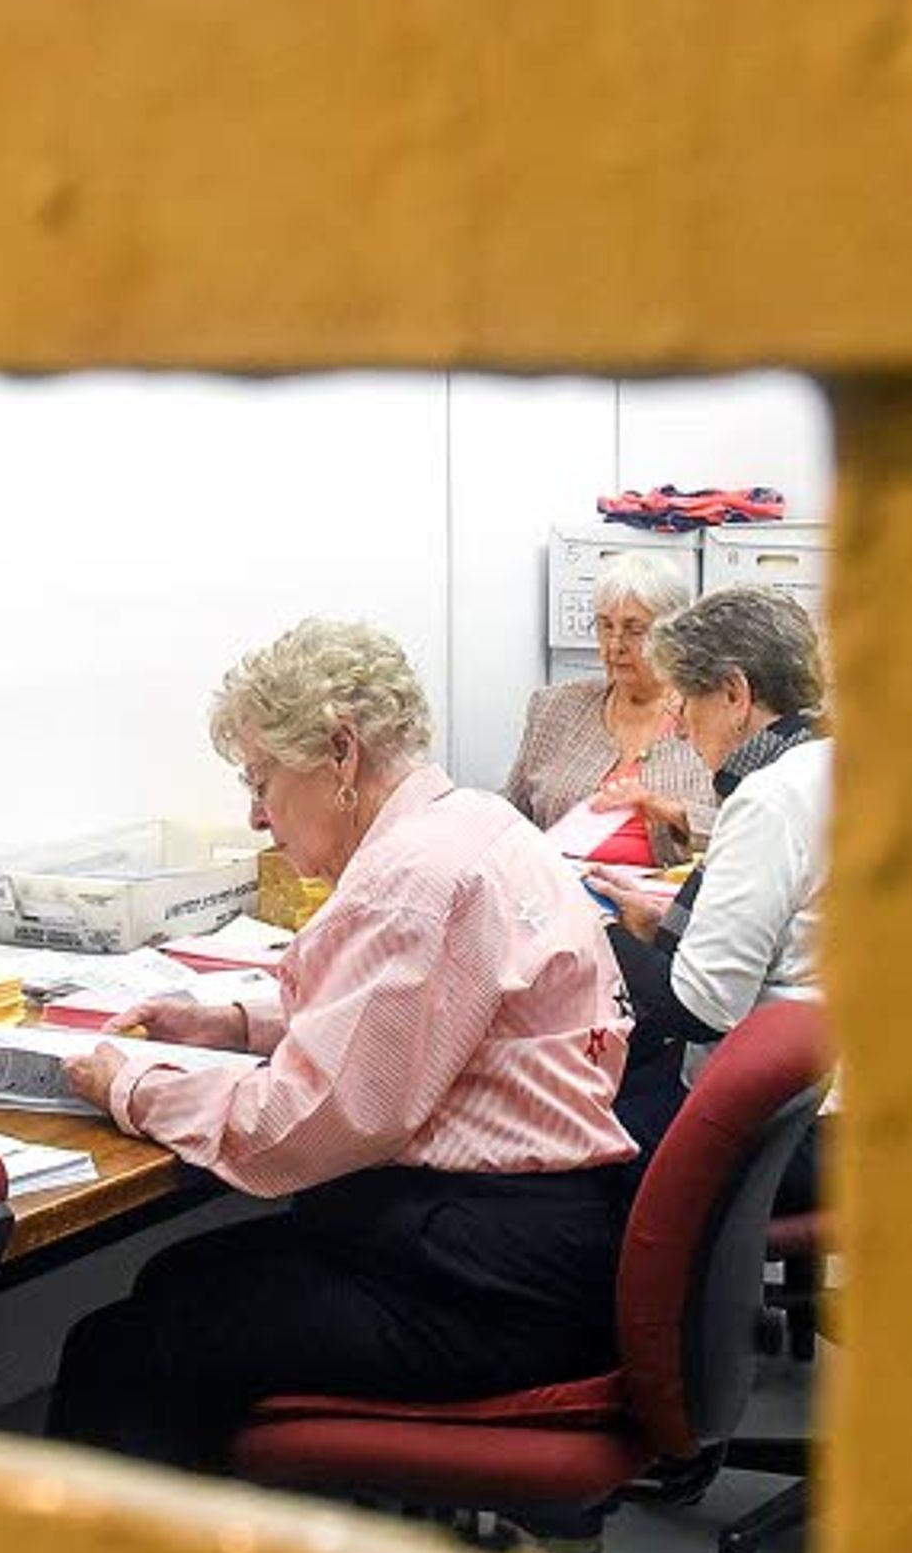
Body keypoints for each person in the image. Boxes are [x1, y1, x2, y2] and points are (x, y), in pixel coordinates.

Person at [46, 620, 637, 1477]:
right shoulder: (477, 825)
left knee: (121, 1349)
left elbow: (304, 1126)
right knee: (177, 1276)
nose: (255, 816)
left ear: (339, 752)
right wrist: (238, 1026)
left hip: (480, 1285)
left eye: (261, 782)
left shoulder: (412, 881)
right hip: (543, 1244)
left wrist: (133, 1085)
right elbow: (424, 1018)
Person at [589, 588, 831, 1158]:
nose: (678, 729)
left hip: (783, 1128)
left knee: (580, 1140)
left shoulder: (769, 799)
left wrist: (599, 932)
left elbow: (701, 1008)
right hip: (848, 1101)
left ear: (734, 693)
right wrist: (660, 921)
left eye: (686, 706)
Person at [503, 553, 717, 866]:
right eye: (605, 626)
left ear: (673, 634)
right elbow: (514, 810)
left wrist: (668, 810)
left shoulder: (711, 717)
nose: (615, 644)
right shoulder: (554, 707)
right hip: (559, 895)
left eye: (634, 629)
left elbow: (746, 835)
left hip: (663, 906)